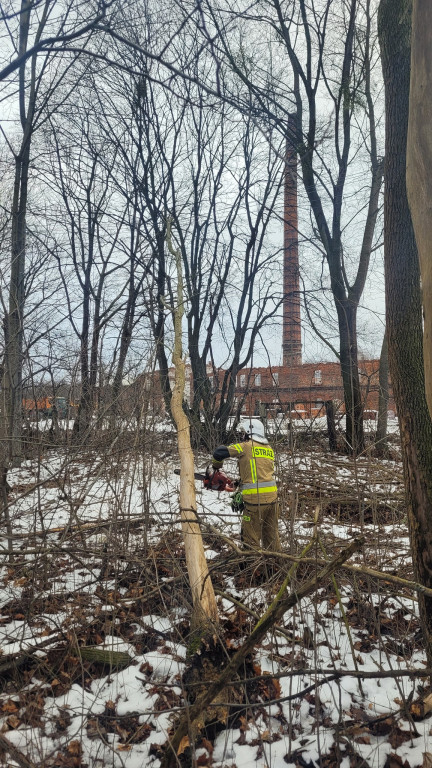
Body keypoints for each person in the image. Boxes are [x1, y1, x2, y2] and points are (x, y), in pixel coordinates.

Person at [211, 418, 281, 551]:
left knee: (250, 539)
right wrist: (238, 483)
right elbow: (259, 474)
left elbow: (219, 452)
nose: (242, 436)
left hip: (255, 503)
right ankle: (276, 566)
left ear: (249, 432)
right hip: (272, 500)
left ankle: (253, 568)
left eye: (243, 433)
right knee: (271, 537)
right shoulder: (268, 448)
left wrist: (216, 467)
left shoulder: (246, 446)